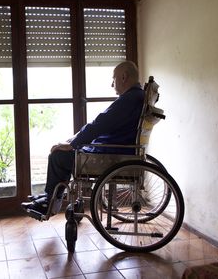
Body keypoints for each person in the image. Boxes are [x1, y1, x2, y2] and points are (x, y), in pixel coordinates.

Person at [21, 61, 144, 217]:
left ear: (124, 77)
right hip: (117, 149)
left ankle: (50, 201)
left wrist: (73, 143)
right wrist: (75, 139)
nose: (112, 84)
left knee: (58, 156)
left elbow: (99, 124)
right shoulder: (136, 96)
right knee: (64, 150)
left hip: (109, 156)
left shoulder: (128, 100)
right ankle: (50, 196)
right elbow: (101, 124)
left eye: (114, 79)